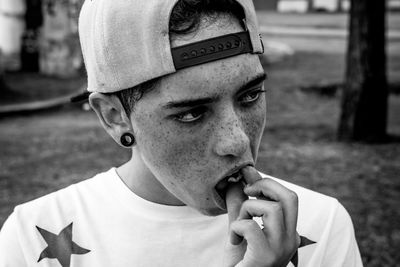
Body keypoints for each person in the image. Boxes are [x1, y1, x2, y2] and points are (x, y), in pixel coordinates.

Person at [0, 0, 363, 266]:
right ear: (114, 116)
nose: (236, 140)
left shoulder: (320, 223)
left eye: (250, 95)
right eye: (192, 113)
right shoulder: (34, 235)